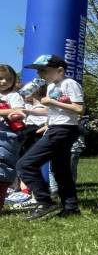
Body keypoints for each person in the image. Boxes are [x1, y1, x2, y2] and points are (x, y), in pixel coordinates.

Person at [15, 54, 85, 220]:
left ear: (60, 70)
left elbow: (79, 109)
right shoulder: (52, 86)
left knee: (25, 164)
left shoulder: (69, 83)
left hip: (63, 130)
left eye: (44, 70)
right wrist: (30, 111)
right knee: (61, 170)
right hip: (56, 128)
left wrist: (52, 102)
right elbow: (51, 110)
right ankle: (71, 208)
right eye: (38, 71)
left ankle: (44, 201)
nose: (40, 74)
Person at [0, 63, 25, 210]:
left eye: (9, 79)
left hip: (6, 137)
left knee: (3, 170)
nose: (4, 82)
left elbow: (18, 111)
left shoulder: (14, 96)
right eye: (1, 78)